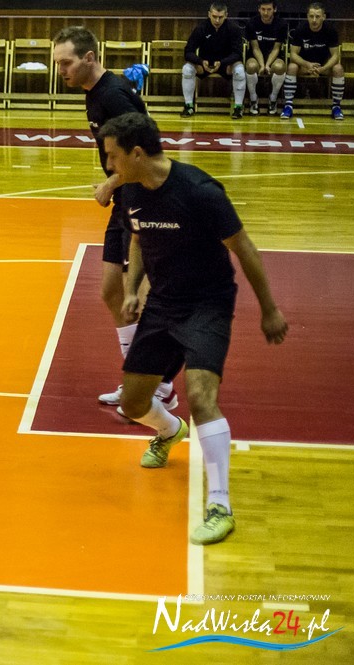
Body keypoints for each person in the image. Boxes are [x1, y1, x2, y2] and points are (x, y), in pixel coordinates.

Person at [99, 112, 288, 545]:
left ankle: (220, 505)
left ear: (137, 153)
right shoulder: (132, 191)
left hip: (208, 304)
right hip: (163, 303)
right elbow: (138, 239)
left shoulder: (200, 191)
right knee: (132, 403)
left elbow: (245, 248)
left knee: (202, 397)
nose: (109, 166)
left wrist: (269, 310)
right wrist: (131, 288)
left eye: (112, 157)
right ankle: (169, 431)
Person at [52, 26, 179, 414]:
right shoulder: (95, 92)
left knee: (138, 297)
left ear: (89, 58)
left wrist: (111, 181)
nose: (61, 71)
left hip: (142, 201)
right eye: (57, 64)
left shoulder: (112, 94)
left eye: (66, 63)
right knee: (111, 291)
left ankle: (159, 385)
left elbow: (147, 148)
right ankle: (138, 378)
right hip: (124, 201)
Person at [180, 3, 247, 119]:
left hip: (225, 64)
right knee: (187, 69)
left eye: (220, 17)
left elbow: (237, 53)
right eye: (214, 16)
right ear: (209, 14)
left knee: (240, 70)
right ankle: (188, 106)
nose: (217, 20)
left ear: (226, 15)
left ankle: (238, 107)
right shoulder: (201, 28)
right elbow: (188, 52)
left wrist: (223, 63)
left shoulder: (233, 28)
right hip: (204, 64)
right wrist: (200, 61)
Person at [281, 2, 346, 121]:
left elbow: (335, 56)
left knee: (338, 68)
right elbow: (293, 55)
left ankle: (336, 106)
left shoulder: (330, 30)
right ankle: (288, 105)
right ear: (307, 16)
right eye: (311, 16)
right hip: (304, 66)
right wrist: (307, 64)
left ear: (323, 17)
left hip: (324, 66)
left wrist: (323, 68)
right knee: (291, 67)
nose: (314, 20)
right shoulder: (300, 29)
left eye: (317, 16)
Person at [245, 1, 289, 115]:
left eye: (269, 9)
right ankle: (253, 99)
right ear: (259, 9)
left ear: (274, 9)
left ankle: (273, 98)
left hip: (274, 55)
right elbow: (255, 48)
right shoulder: (251, 23)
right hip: (256, 55)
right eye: (263, 9)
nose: (265, 12)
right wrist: (262, 65)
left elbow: (276, 48)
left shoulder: (282, 24)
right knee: (251, 66)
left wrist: (268, 65)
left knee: (280, 67)